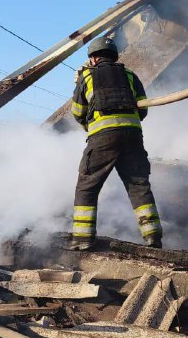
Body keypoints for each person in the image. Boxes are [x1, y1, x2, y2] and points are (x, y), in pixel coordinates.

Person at [68, 36, 162, 251]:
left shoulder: (87, 77)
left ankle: (82, 240)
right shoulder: (130, 75)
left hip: (102, 137)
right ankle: (153, 237)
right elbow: (143, 108)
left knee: (87, 186)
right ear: (114, 56)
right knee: (138, 185)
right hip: (133, 136)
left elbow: (78, 111)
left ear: (92, 58)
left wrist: (90, 125)